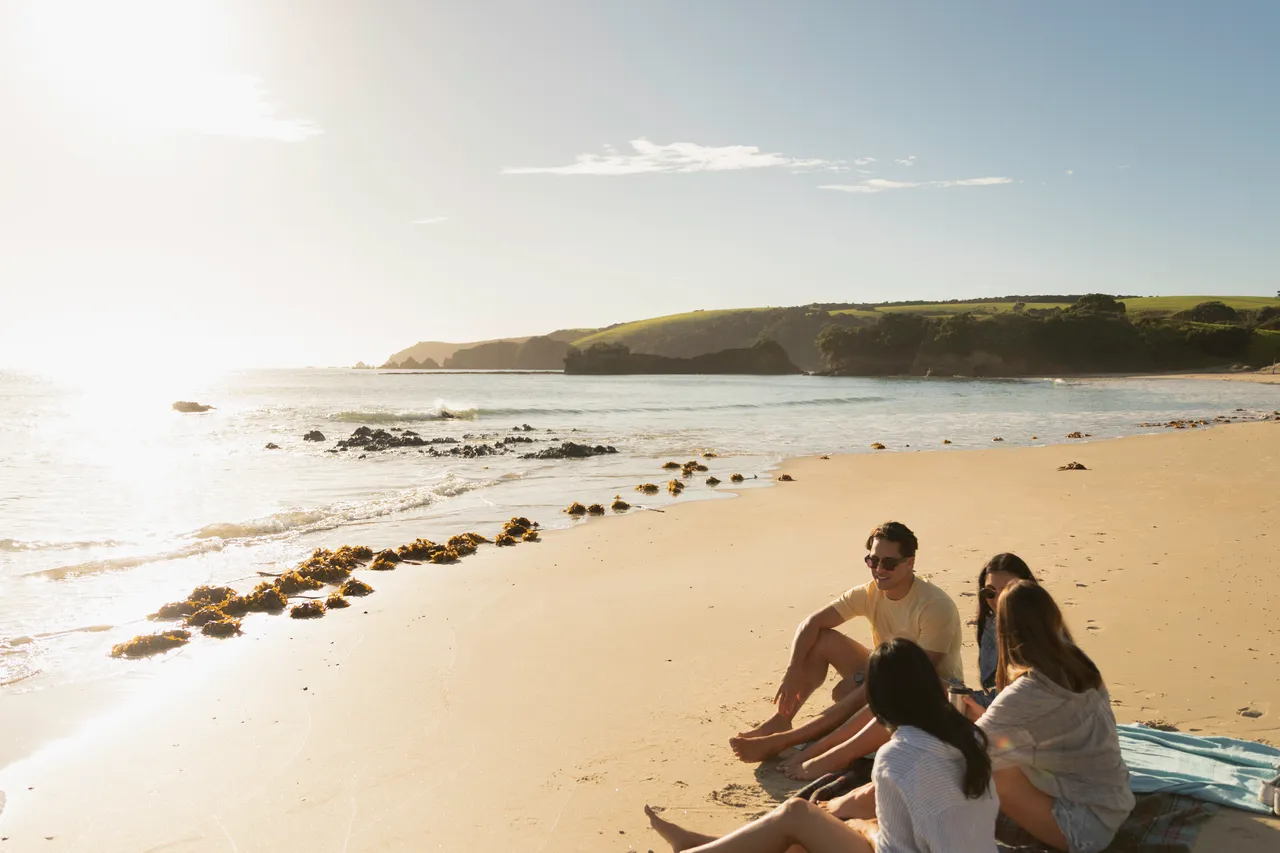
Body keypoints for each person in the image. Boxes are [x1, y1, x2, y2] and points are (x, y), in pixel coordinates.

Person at [646, 639, 999, 853]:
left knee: (796, 815)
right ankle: (703, 846)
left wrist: (864, 827)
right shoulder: (968, 736)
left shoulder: (899, 755)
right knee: (808, 831)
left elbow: (891, 846)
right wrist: (851, 813)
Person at [731, 522, 963, 781]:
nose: (879, 570)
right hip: (887, 674)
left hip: (931, 689)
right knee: (822, 640)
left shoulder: (934, 605)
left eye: (889, 563)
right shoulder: (870, 593)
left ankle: (793, 741)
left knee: (853, 695)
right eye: (872, 561)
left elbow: (916, 675)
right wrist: (792, 671)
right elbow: (812, 623)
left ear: (910, 562)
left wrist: (861, 692)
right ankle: (782, 719)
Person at [977, 580, 1134, 853]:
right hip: (1113, 802)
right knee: (1001, 753)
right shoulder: (1076, 660)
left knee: (988, 769)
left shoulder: (1031, 690)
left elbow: (970, 748)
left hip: (1086, 828)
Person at [971, 553, 1038, 708]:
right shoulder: (990, 623)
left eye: (1008, 590)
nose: (997, 599)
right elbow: (992, 689)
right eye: (989, 592)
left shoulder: (1040, 632)